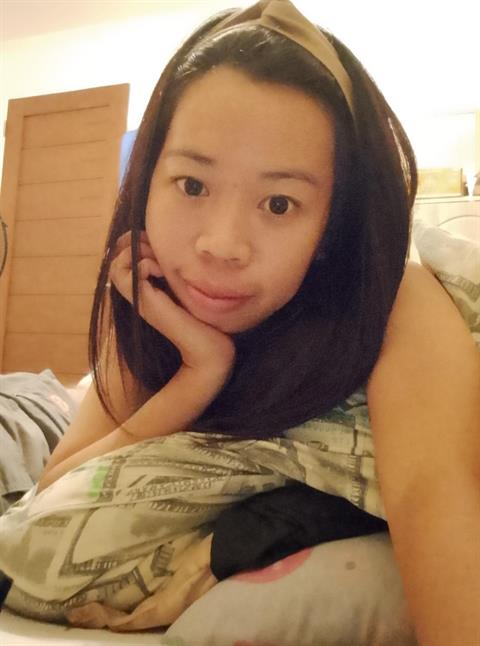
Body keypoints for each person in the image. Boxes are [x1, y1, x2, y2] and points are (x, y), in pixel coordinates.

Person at [35, 0, 478, 644]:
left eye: (279, 203)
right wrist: (198, 372)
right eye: (192, 185)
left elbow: (435, 500)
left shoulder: (396, 306)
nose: (221, 245)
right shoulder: (149, 307)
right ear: (147, 181)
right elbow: (53, 497)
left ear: (331, 227)